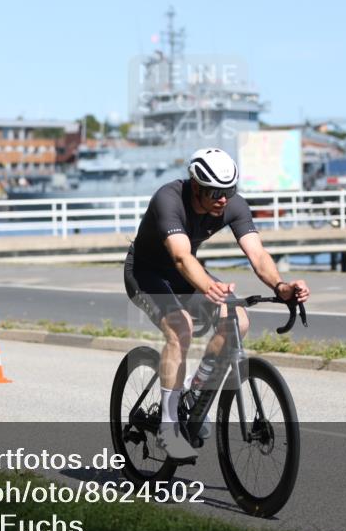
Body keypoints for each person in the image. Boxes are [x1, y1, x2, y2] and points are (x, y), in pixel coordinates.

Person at [124, 148, 310, 460]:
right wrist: (210, 287)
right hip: (146, 273)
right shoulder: (168, 199)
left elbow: (258, 255)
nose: (224, 199)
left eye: (230, 191)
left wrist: (281, 285)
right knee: (179, 327)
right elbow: (182, 257)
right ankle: (169, 428)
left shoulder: (231, 205)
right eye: (215, 192)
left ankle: (195, 394)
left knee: (239, 319)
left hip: (184, 273)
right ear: (195, 186)